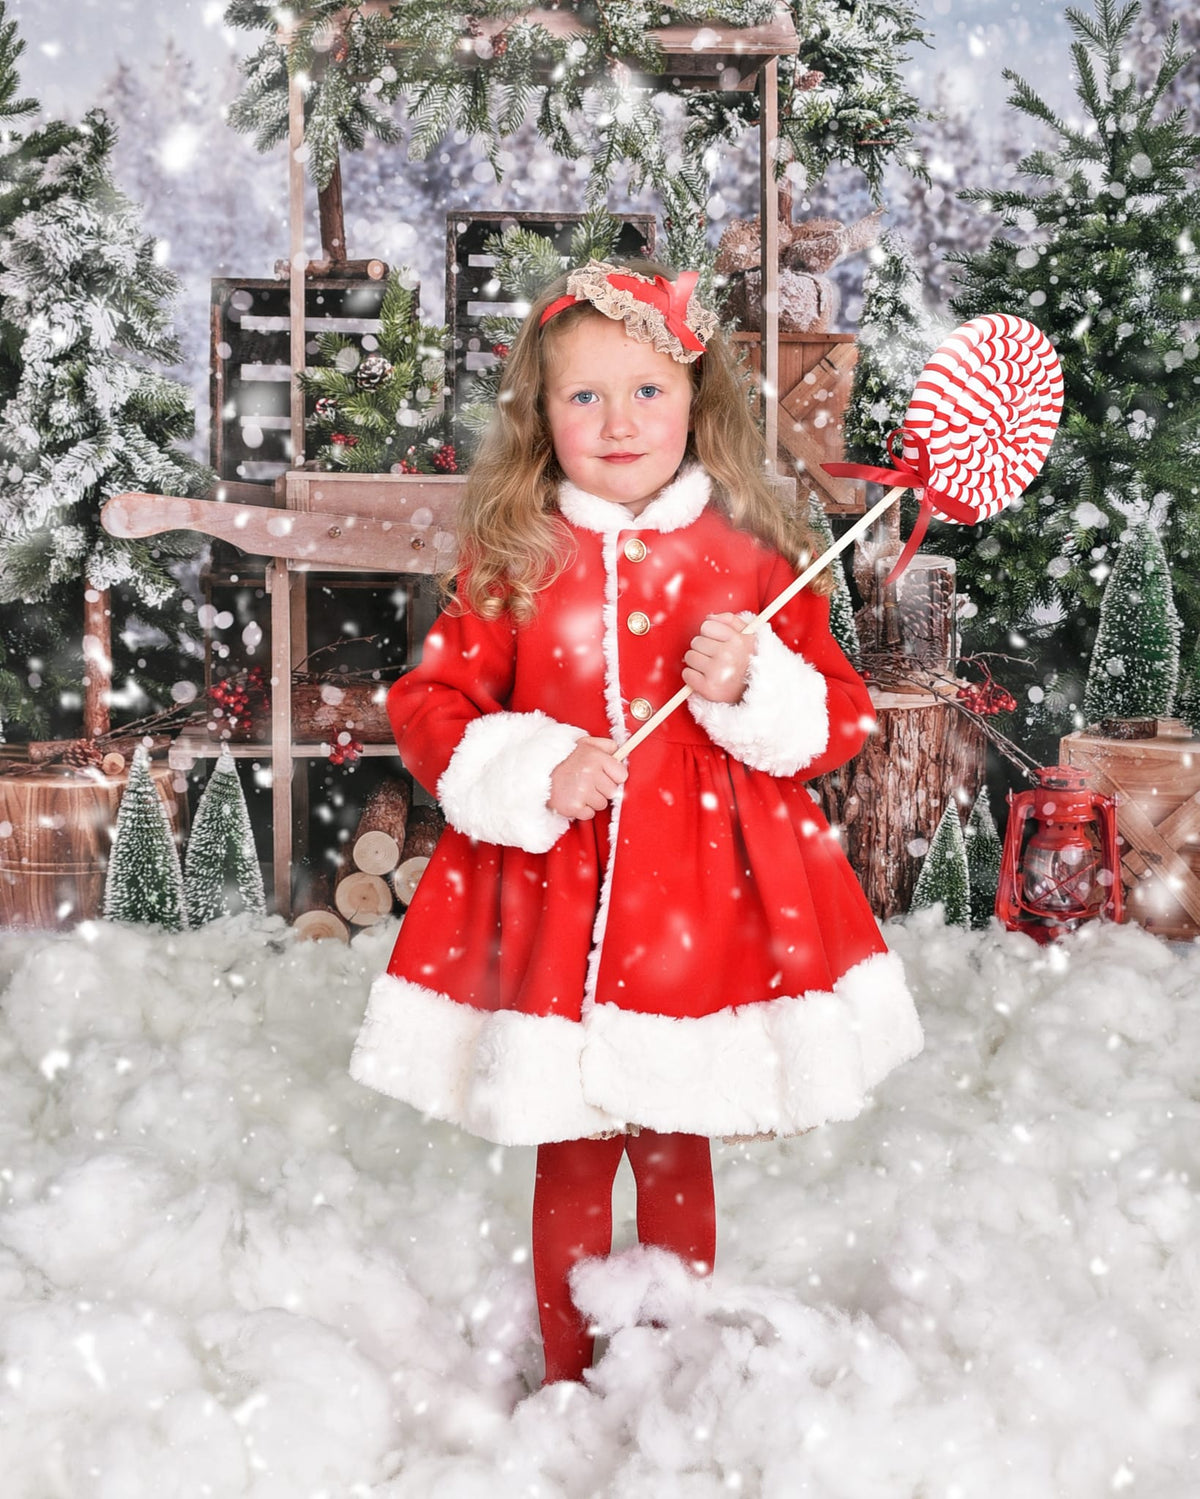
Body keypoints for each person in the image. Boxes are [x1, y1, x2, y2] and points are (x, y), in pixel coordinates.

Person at [350, 258, 922, 1386]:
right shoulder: (515, 558)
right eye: (584, 397)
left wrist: (757, 683)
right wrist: (530, 762)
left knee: (677, 1140)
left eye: (648, 392)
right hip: (558, 901)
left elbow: (841, 719)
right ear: (542, 414)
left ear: (696, 404)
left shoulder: (750, 558)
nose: (619, 422)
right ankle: (568, 1382)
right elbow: (430, 705)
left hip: (703, 906)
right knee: (569, 1152)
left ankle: (669, 1375)